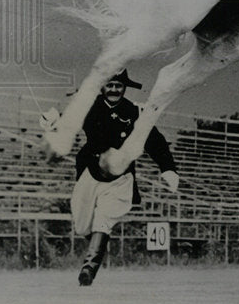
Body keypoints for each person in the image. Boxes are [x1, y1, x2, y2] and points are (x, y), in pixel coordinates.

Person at [69, 69, 179, 286]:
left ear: (124, 88)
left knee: (105, 218)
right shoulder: (88, 106)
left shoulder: (135, 112)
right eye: (110, 85)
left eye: (118, 86)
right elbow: (66, 121)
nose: (114, 90)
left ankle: (89, 269)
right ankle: (97, 246)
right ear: (102, 87)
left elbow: (154, 139)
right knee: (82, 225)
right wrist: (51, 122)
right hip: (91, 173)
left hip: (120, 178)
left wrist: (168, 168)